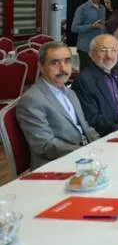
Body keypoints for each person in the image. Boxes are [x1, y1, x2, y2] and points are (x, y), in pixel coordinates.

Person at [16, 42, 100, 170]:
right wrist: (84, 152)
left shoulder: (70, 93)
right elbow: (46, 146)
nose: (63, 68)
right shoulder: (32, 100)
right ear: (41, 66)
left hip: (83, 158)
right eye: (55, 63)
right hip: (56, 166)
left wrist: (102, 145)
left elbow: (85, 127)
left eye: (67, 61)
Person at [71, 34, 118, 137]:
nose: (109, 56)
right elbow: (93, 118)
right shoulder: (84, 80)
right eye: (103, 50)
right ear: (91, 53)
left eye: (113, 50)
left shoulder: (116, 74)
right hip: (107, 135)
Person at [70, 0, 106, 69]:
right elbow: (74, 28)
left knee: (99, 73)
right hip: (86, 49)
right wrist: (91, 26)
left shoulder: (102, 8)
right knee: (86, 74)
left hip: (100, 48)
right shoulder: (82, 9)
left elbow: (101, 27)